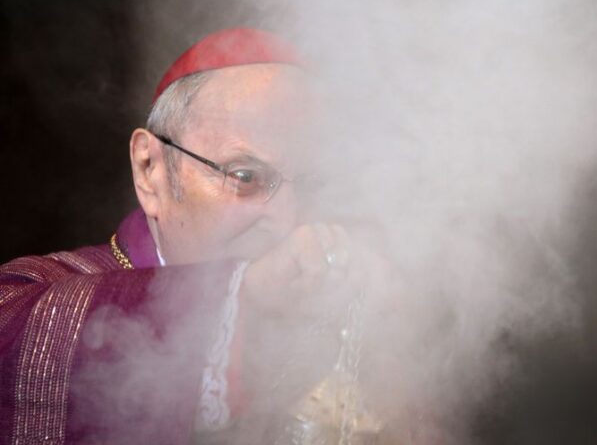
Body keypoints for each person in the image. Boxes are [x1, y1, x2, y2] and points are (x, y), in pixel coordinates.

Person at [0, 28, 355, 444]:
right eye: (245, 176)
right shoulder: (35, 287)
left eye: (311, 187)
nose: (287, 221)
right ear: (149, 170)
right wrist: (245, 295)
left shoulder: (325, 318)